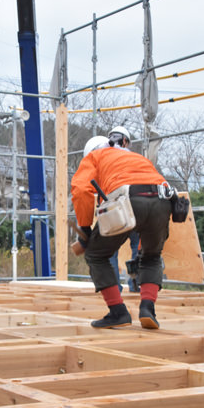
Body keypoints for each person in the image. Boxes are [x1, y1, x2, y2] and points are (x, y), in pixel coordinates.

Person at [71, 135, 172, 329]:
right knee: (151, 256)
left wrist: (84, 229)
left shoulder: (94, 157)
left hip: (128, 199)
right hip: (163, 200)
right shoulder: (135, 157)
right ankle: (148, 309)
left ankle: (118, 312)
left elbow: (81, 190)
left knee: (96, 254)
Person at [107, 126, 140, 293]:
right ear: (125, 140)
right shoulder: (135, 159)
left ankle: (114, 290)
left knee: (111, 250)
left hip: (113, 209)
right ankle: (135, 285)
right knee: (137, 246)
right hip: (134, 206)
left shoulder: (104, 159)